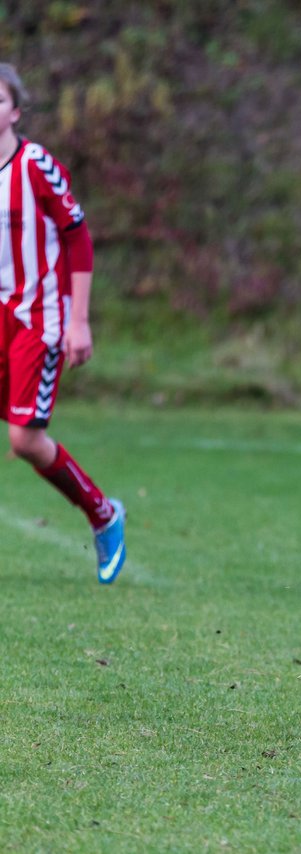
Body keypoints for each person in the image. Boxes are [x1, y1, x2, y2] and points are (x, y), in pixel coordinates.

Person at [0, 63, 126, 582]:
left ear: (15, 110)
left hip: (39, 317)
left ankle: (103, 513)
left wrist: (79, 321)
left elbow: (78, 238)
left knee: (25, 440)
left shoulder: (37, 167)